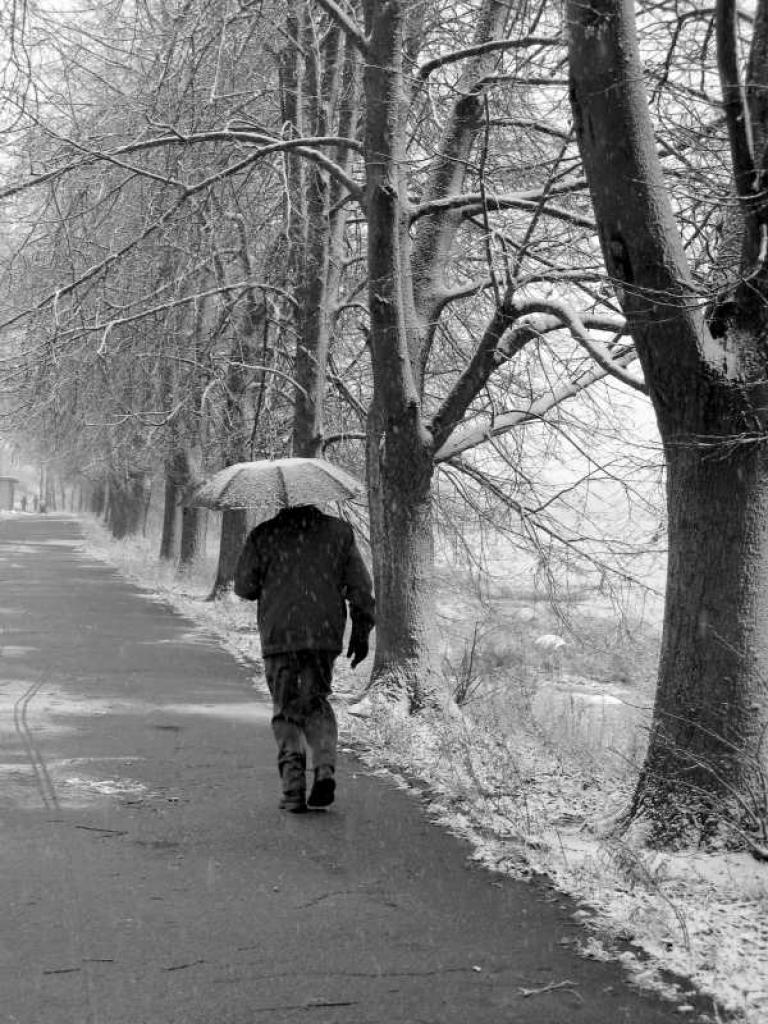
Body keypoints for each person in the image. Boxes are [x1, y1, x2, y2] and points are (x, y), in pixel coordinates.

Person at [234, 504, 375, 813]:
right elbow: (361, 587)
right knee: (315, 702)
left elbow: (244, 587)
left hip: (280, 636)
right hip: (322, 635)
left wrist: (272, 575)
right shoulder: (339, 533)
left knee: (286, 710)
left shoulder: (264, 534)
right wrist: (362, 627)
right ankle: (324, 767)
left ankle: (293, 788)